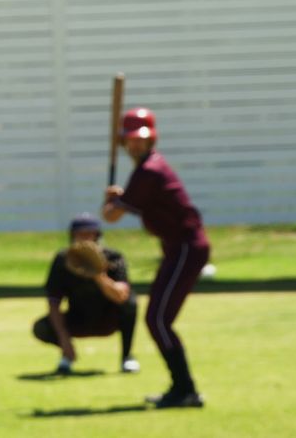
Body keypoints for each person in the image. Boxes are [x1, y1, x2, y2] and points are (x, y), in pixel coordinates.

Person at [102, 108, 209, 409]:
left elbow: (110, 216)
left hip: (186, 248)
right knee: (158, 319)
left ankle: (185, 389)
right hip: (179, 249)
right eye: (131, 140)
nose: (136, 145)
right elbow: (130, 204)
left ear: (152, 140)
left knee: (158, 319)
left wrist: (111, 201)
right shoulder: (147, 170)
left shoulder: (149, 170)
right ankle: (182, 388)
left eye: (141, 140)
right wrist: (117, 198)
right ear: (123, 142)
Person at [32, 214, 140, 375]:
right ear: (72, 236)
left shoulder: (113, 257)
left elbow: (121, 295)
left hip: (108, 319)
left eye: (90, 233)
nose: (85, 238)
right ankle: (67, 357)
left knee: (131, 304)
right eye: (80, 234)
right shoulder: (63, 260)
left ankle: (127, 357)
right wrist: (64, 339)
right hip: (79, 318)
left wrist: (98, 272)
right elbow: (53, 301)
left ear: (97, 235)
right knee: (41, 327)